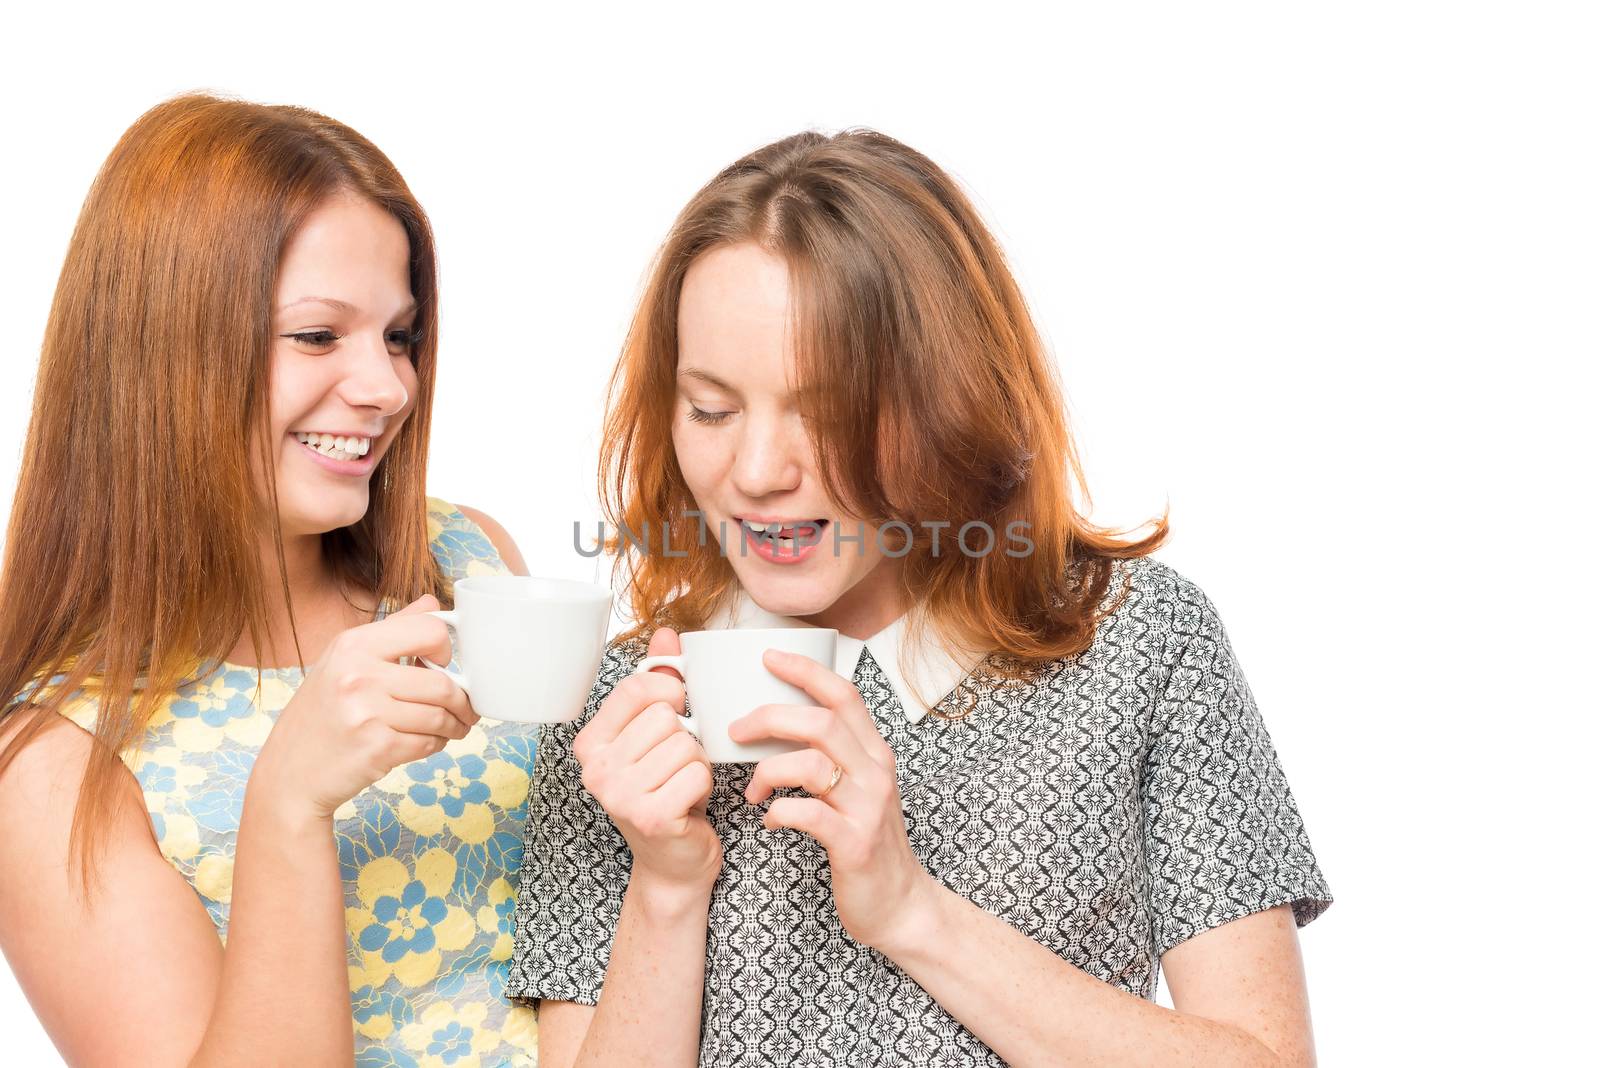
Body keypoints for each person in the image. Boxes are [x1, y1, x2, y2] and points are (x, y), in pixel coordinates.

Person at [508, 129, 1334, 1067]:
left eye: (826, 412)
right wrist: (664, 884)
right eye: (711, 409)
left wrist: (913, 911)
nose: (756, 472)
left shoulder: (1143, 644)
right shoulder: (619, 713)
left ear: (948, 399)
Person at [0, 94, 539, 1066]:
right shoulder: (53, 772)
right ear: (164, 351)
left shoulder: (468, 564)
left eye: (399, 336)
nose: (388, 388)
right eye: (318, 336)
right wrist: (287, 802)